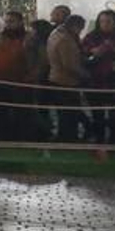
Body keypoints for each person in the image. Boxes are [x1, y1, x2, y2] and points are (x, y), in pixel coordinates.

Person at [0, 11, 39, 141]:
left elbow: (41, 60)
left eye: (11, 21)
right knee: (0, 113)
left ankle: (24, 139)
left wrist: (33, 76)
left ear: (20, 22)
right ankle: (1, 138)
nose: (8, 25)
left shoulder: (31, 39)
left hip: (22, 84)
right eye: (6, 21)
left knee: (23, 114)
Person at [81, 9, 115, 143]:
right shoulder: (91, 36)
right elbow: (84, 53)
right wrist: (98, 50)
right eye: (102, 21)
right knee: (97, 113)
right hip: (95, 81)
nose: (105, 24)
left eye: (108, 21)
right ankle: (99, 139)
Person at [46, 14, 87, 142]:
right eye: (80, 29)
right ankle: (69, 137)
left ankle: (65, 136)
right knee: (70, 113)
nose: (80, 32)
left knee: (64, 112)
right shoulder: (66, 40)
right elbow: (69, 65)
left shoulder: (55, 33)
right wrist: (85, 75)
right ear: (75, 26)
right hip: (66, 81)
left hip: (55, 78)